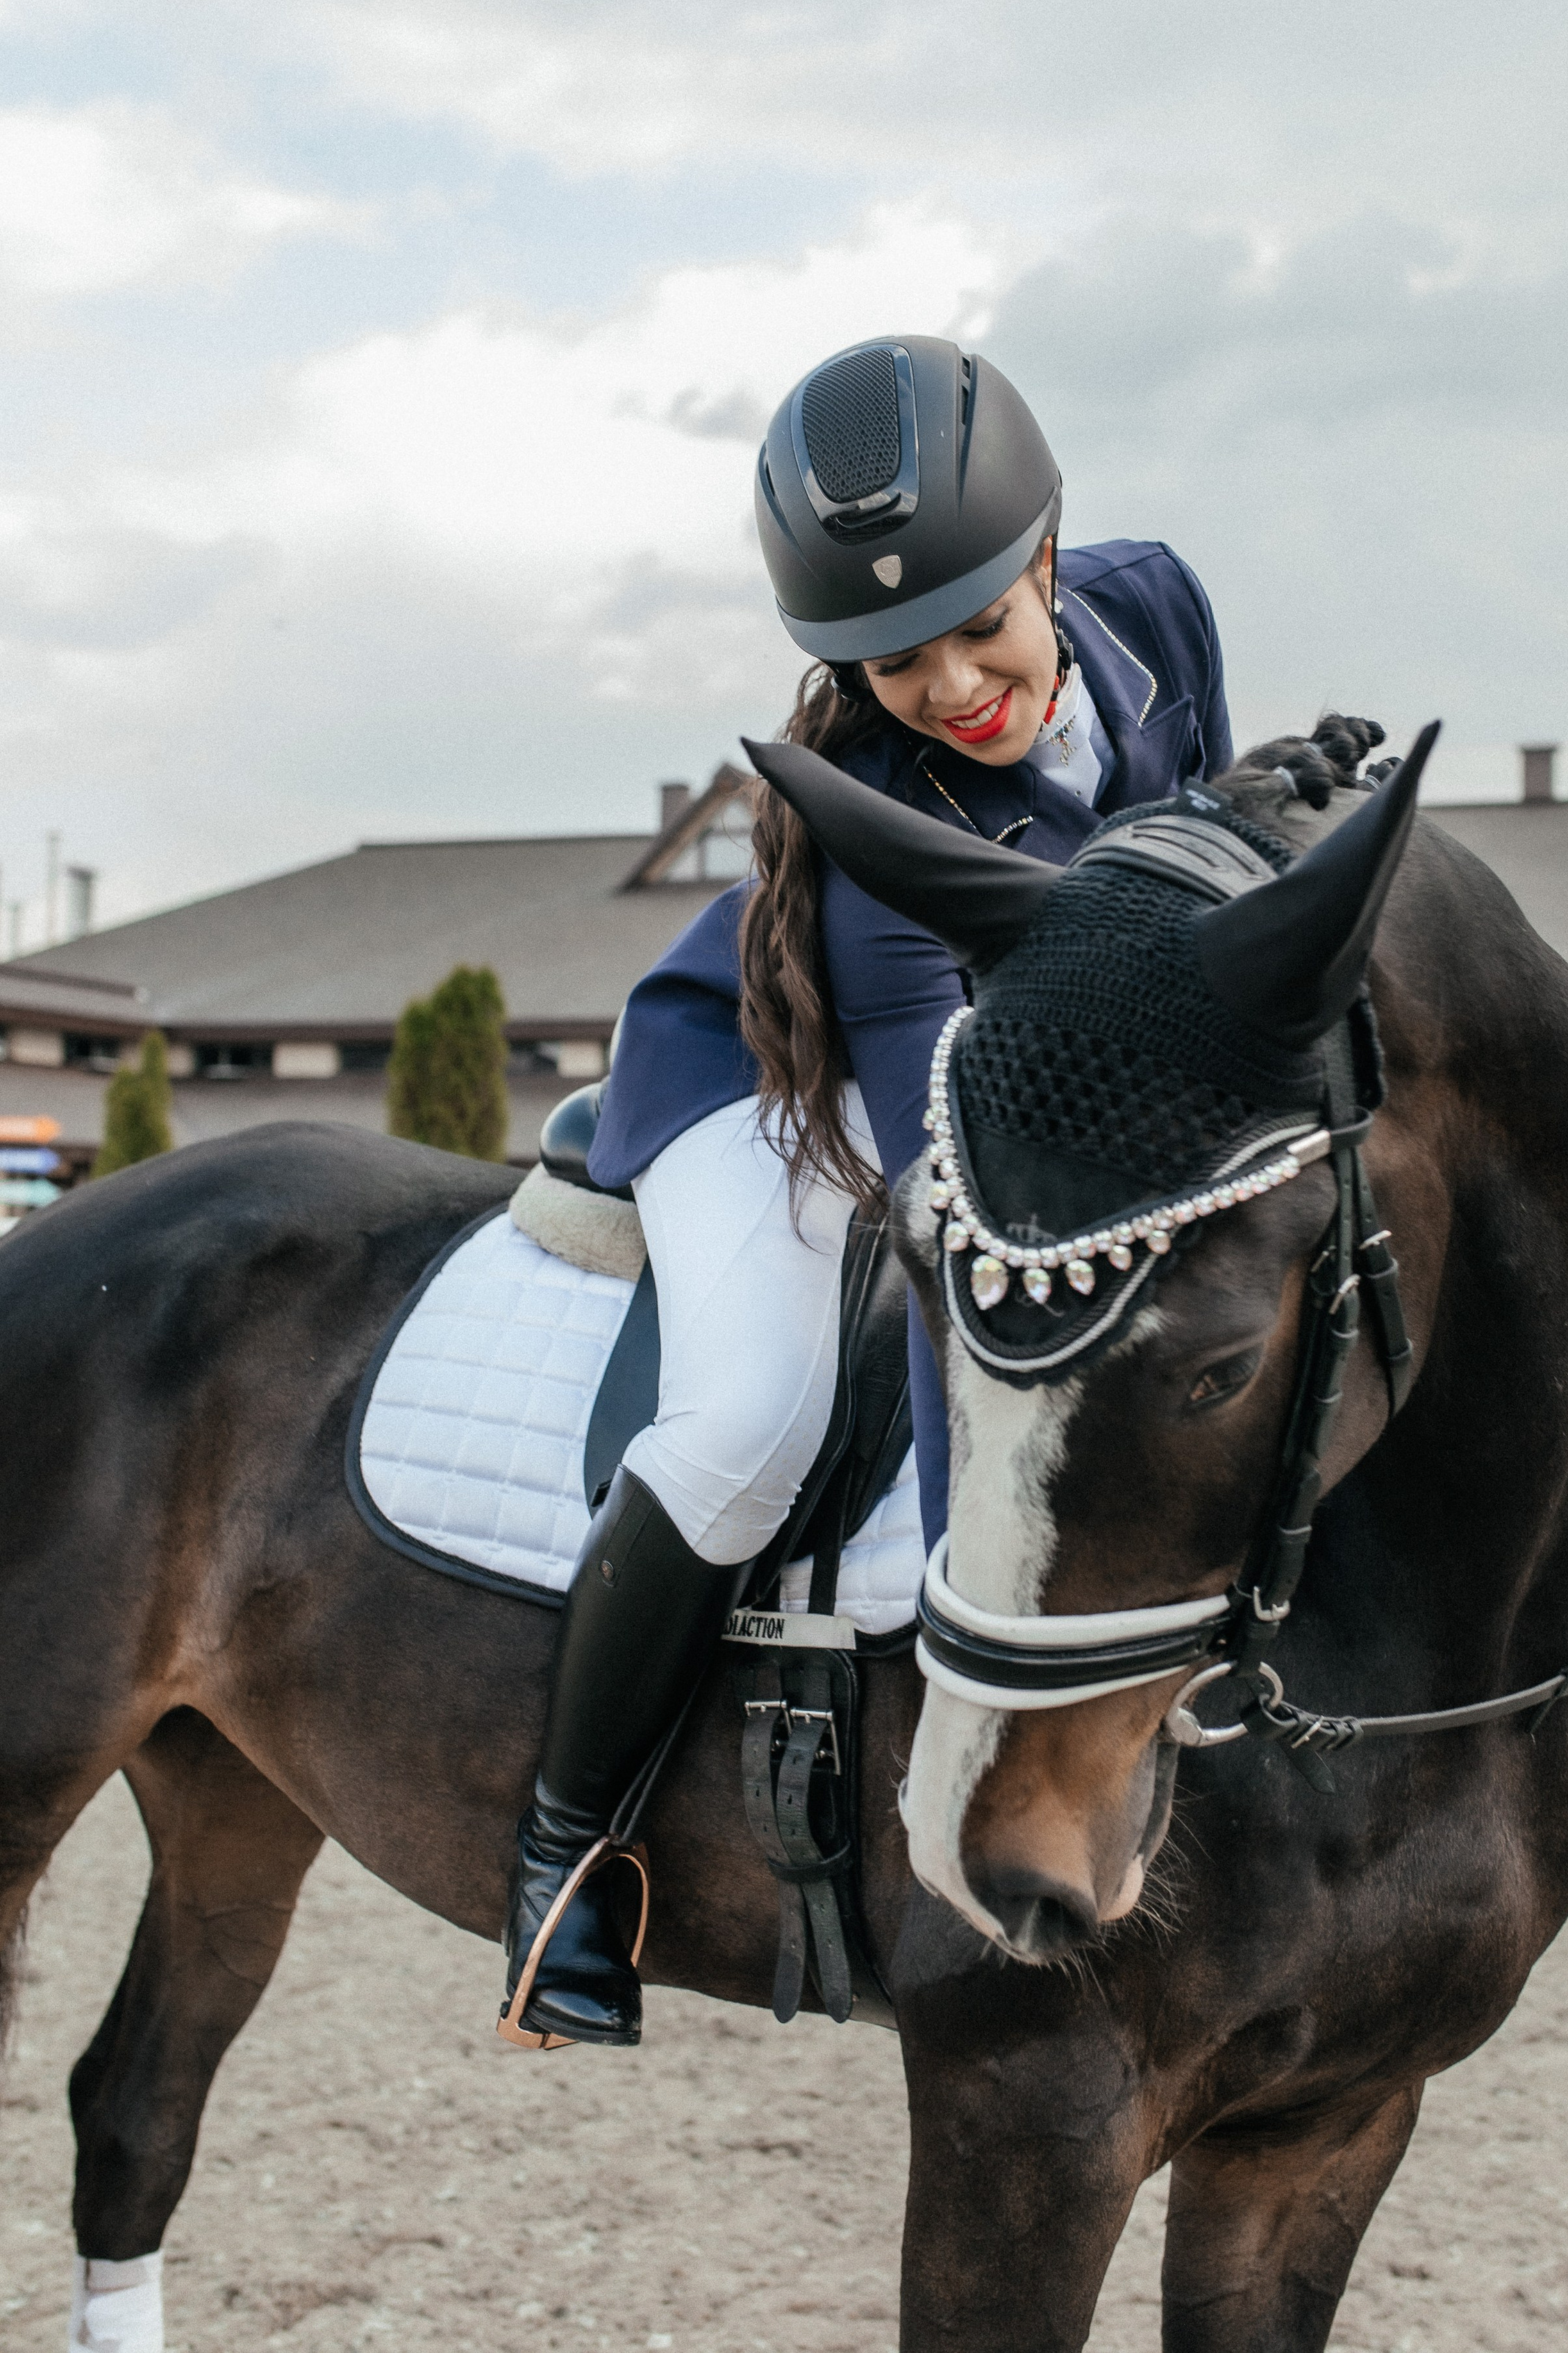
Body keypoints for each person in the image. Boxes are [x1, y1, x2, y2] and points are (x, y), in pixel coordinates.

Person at [500, 334, 1232, 2049]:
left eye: (981, 626)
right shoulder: (881, 839)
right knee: (750, 1418)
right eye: (894, 663)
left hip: (1038, 1050)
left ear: (1045, 557)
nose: (955, 684)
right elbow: (955, 1227)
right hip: (773, 1074)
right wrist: (989, 1593)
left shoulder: (1159, 606)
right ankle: (564, 1851)